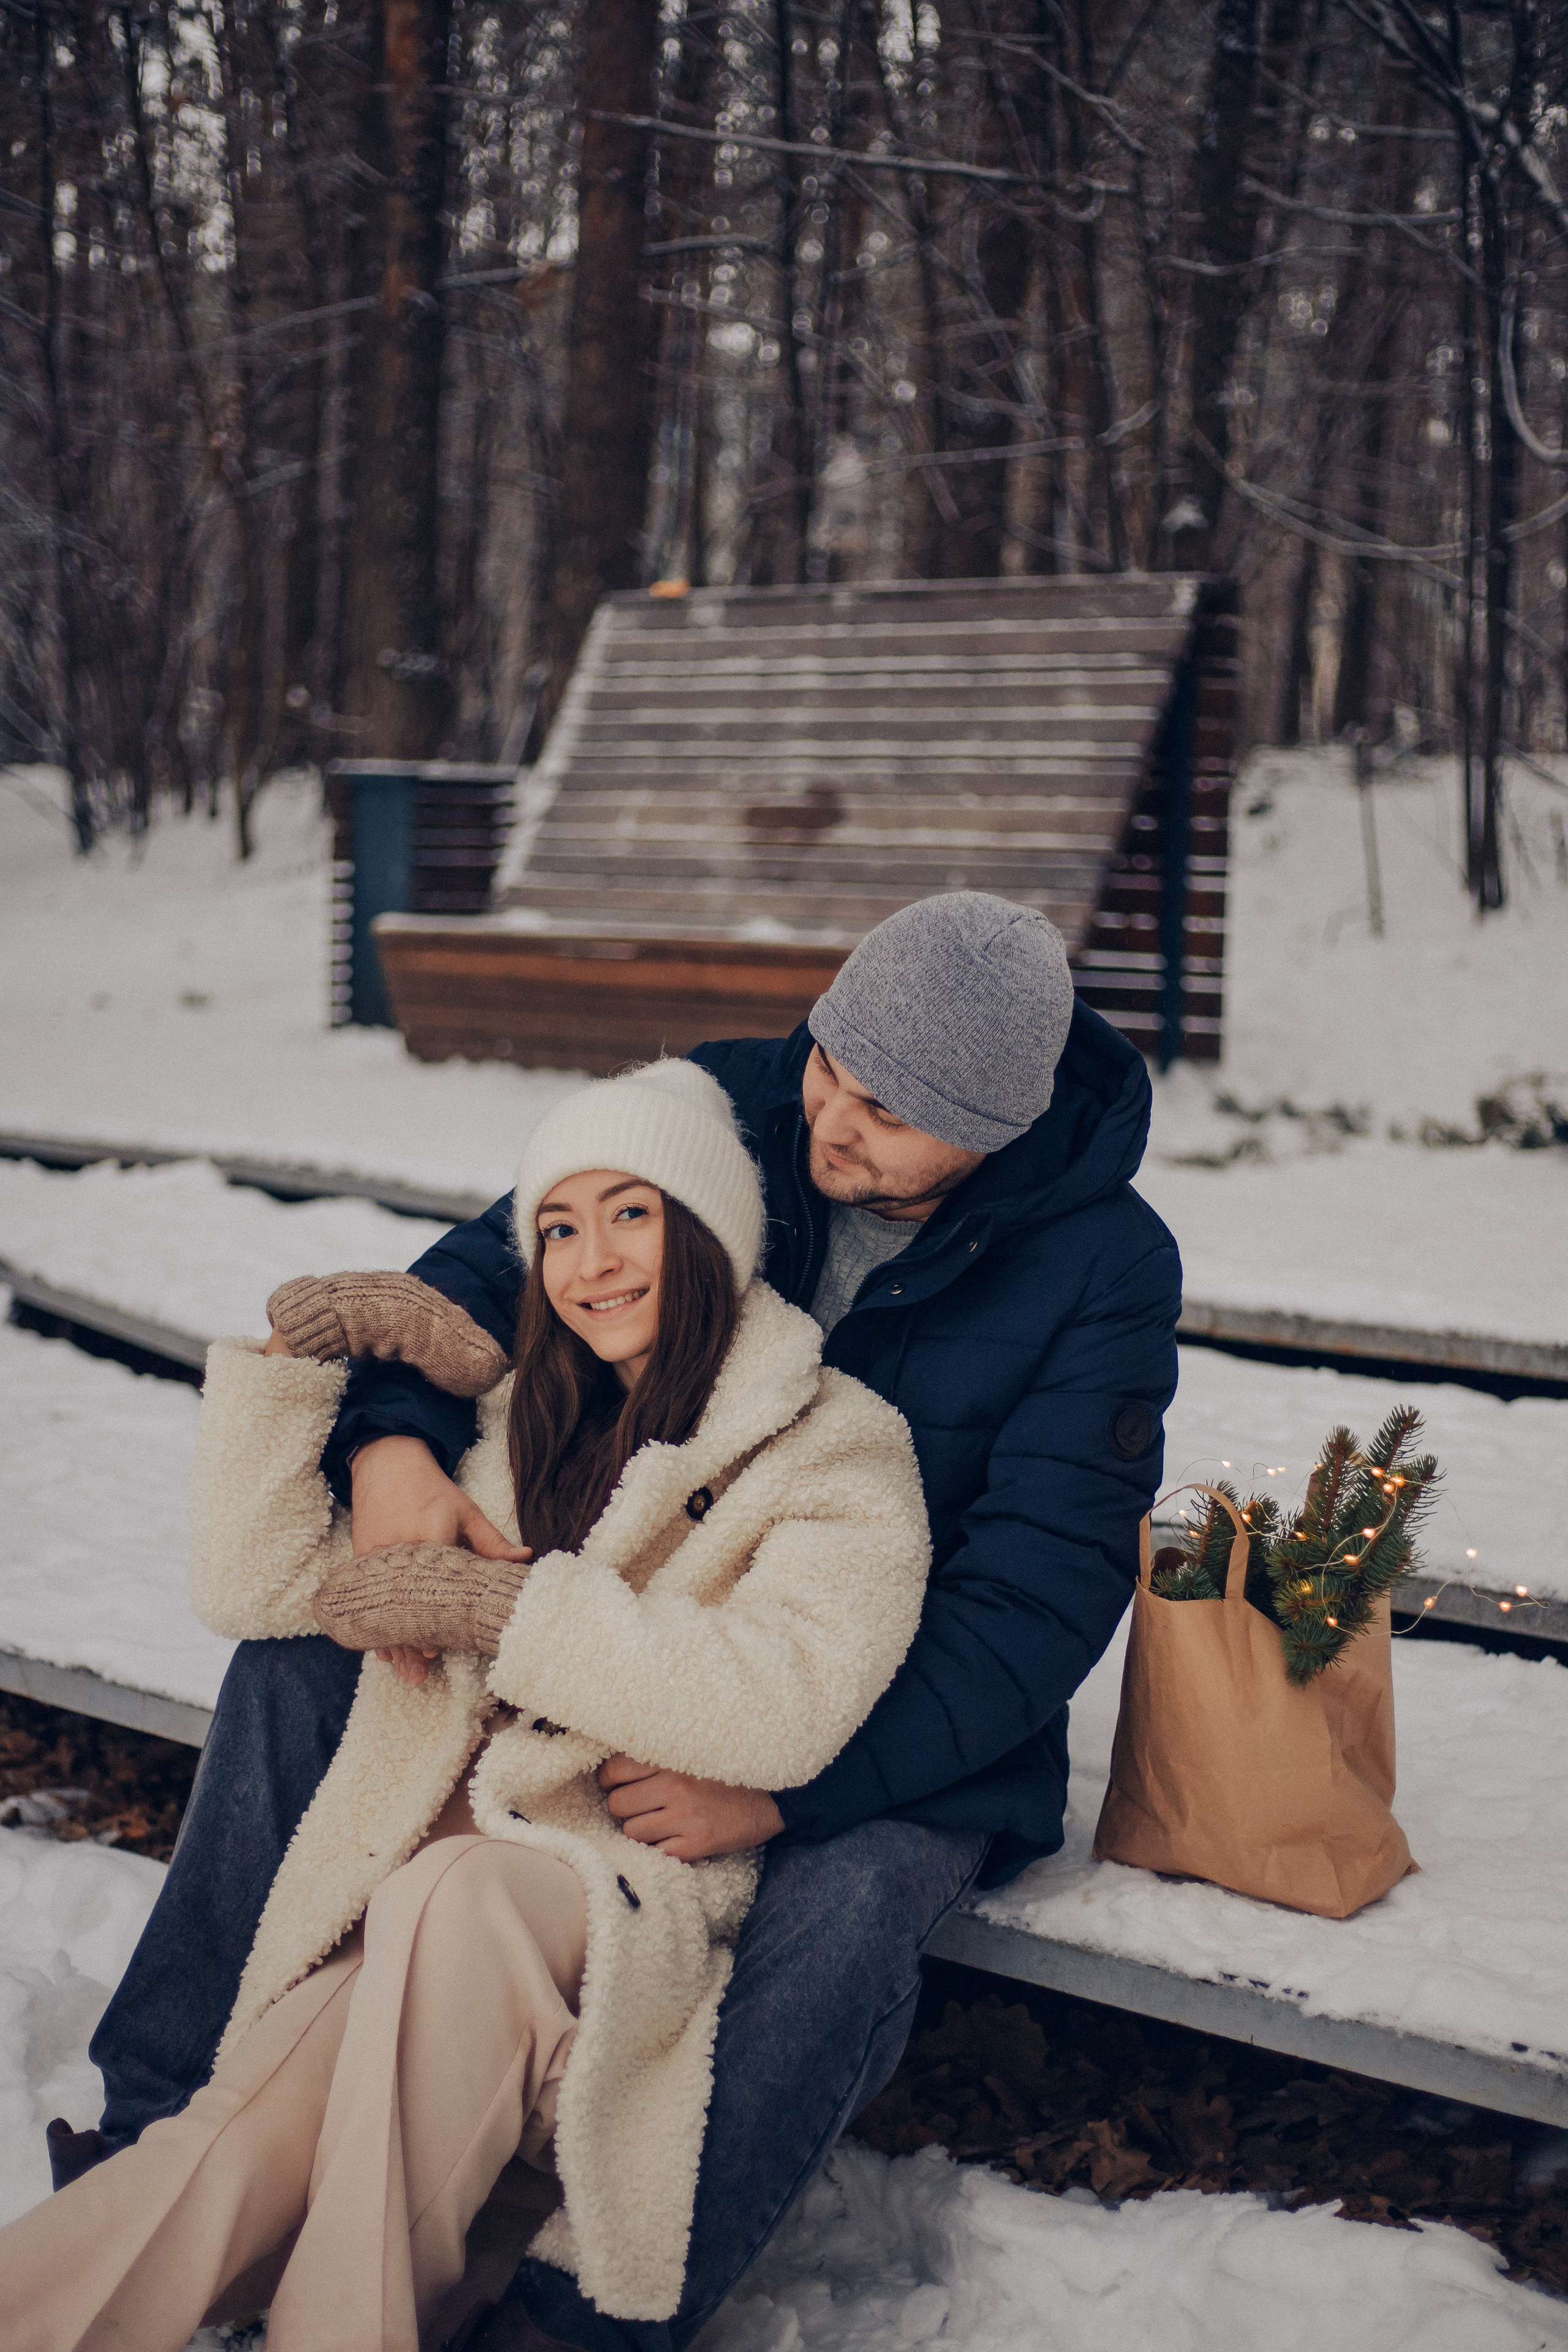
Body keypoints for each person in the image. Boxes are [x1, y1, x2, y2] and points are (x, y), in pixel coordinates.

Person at [77, 889, 1182, 2352]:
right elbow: (478, 1275)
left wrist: (795, 1788)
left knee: (852, 1899)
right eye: (829, 1069)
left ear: (997, 1127)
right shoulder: (726, 1103)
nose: (831, 1126)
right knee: (296, 1654)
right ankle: (160, 2114)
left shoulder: (1101, 1265)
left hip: (888, 1705)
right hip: (618, 1618)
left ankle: (591, 2311)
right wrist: (389, 1445)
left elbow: (1035, 1599)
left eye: (888, 1117)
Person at [5, 1059, 930, 2350]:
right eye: (557, 1226)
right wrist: (292, 1371)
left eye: (631, 1215)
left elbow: (784, 1706)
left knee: (452, 1895)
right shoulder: (501, 1419)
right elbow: (261, 1592)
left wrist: (504, 1615)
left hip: (601, 1892)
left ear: (710, 1232)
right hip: (392, 1907)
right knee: (208, 2166)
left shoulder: (835, 1447)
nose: (589, 1262)